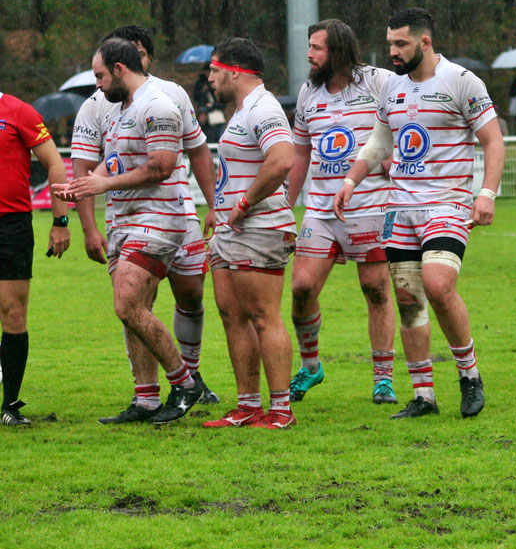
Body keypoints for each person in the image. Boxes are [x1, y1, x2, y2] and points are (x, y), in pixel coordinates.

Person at [334, 7, 504, 420]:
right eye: (390, 43)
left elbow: (493, 142)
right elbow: (379, 143)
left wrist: (487, 194)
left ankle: (469, 377)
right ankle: (424, 395)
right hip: (400, 207)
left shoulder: (462, 81)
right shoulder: (391, 87)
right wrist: (351, 181)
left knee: (437, 284)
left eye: (400, 43)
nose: (392, 51)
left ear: (424, 42)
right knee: (409, 298)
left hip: (447, 203)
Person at [70, 25, 219, 424]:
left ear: (120, 69)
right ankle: (148, 399)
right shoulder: (121, 108)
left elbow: (162, 166)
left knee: (130, 304)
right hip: (126, 221)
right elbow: (114, 162)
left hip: (159, 220)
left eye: (100, 76)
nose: (97, 86)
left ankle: (186, 382)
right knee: (130, 309)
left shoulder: (159, 104)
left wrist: (103, 182)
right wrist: (82, 185)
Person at [285, 19, 399, 405]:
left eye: (316, 48)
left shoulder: (378, 81)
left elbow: (406, 122)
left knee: (376, 289)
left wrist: (391, 158)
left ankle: (383, 378)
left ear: (338, 50)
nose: (309, 55)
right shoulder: (307, 92)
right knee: (301, 289)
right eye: (310, 47)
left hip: (371, 206)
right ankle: (311, 366)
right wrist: (286, 207)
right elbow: (300, 153)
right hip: (320, 210)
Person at [202, 38, 298, 429]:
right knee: (232, 316)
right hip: (231, 230)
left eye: (214, 71)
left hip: (259, 228)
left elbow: (282, 160)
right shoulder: (242, 110)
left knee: (263, 316)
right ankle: (247, 406)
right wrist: (220, 210)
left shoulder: (264, 106)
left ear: (234, 72)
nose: (210, 79)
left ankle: (280, 411)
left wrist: (242, 205)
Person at [0, 92, 70, 425]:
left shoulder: (18, 111)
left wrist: (60, 221)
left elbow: (55, 163)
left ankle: (9, 405)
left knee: (13, 312)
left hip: (10, 226)